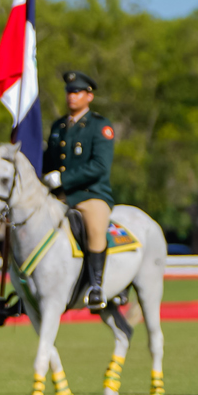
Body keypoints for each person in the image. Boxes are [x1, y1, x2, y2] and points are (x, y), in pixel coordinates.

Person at [42, 71, 116, 310]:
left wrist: (63, 178)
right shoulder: (59, 126)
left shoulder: (99, 126)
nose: (71, 96)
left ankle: (96, 287)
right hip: (59, 196)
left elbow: (99, 166)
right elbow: (48, 160)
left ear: (89, 96)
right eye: (69, 92)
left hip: (90, 194)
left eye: (77, 92)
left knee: (95, 228)